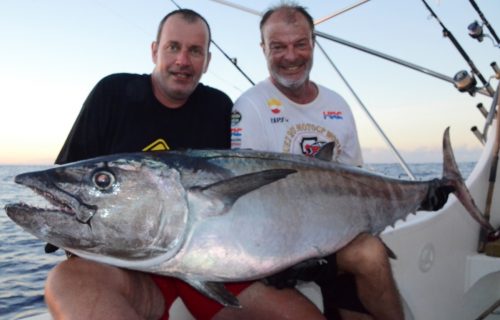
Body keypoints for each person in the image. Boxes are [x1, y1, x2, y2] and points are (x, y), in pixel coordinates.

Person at [45, 8, 327, 320]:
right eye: (173, 47)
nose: (182, 61)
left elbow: (240, 202)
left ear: (207, 61)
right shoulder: (112, 94)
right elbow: (72, 193)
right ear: (155, 51)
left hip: (209, 262)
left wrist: (277, 253)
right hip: (130, 267)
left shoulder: (219, 107)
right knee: (65, 282)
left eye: (195, 51)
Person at [230, 3, 405, 320]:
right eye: (278, 46)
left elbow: (356, 179)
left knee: (372, 254)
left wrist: (421, 194)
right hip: (280, 248)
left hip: (336, 236)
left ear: (314, 42)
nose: (291, 56)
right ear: (263, 49)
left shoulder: (337, 104)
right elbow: (249, 199)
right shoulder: (250, 106)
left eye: (300, 44)